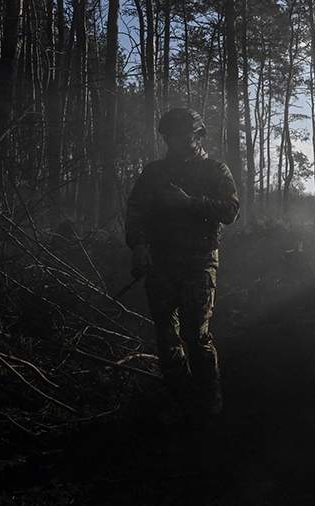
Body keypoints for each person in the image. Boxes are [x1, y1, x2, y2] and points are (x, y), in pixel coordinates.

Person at [125, 108, 239, 415]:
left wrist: (189, 203)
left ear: (198, 136)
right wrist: (138, 245)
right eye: (169, 136)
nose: (174, 141)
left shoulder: (215, 170)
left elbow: (230, 211)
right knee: (166, 336)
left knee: (196, 335)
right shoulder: (154, 173)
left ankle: (208, 402)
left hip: (199, 262)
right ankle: (179, 398)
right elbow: (135, 210)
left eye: (181, 135)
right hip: (161, 262)